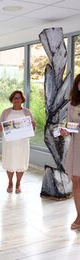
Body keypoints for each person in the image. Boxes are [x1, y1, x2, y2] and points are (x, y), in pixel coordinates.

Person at [0, 90, 36, 194]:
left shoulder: (27, 112)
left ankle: (18, 183)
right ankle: (10, 182)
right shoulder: (6, 112)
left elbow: (32, 127)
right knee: (9, 162)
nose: (16, 100)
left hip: (22, 143)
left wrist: (33, 125)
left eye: (18, 97)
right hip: (9, 143)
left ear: (22, 99)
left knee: (20, 163)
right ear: (11, 99)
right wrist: (3, 127)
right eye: (14, 97)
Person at [60, 74, 80, 230]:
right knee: (76, 180)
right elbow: (70, 125)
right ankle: (79, 215)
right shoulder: (73, 104)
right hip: (76, 146)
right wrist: (66, 130)